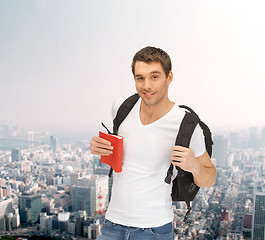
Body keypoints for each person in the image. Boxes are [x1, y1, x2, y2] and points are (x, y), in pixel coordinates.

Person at [90, 46, 217, 240]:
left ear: (169, 77)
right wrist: (99, 147)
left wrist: (194, 166)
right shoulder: (122, 107)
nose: (146, 85)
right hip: (111, 226)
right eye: (140, 78)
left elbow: (210, 178)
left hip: (153, 230)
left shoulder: (187, 125)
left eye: (154, 77)